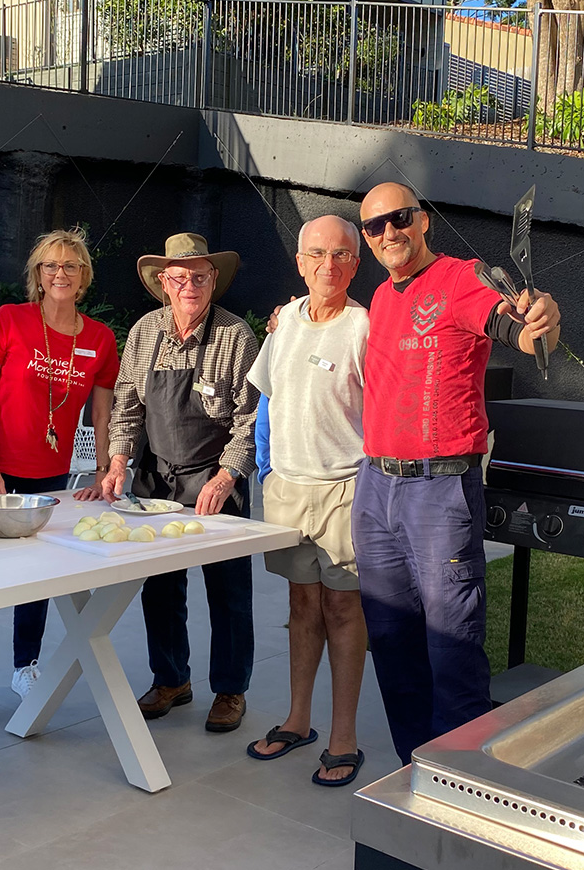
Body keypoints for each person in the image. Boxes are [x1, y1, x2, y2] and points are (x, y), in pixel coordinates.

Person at [352, 182, 561, 764]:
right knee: (391, 641)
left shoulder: (461, 277)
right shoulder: (382, 297)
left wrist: (541, 321)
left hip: (438, 486)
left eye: (400, 218)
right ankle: (413, 769)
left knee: (452, 645)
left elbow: (517, 328)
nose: (389, 233)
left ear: (423, 221)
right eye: (375, 226)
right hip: (375, 485)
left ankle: (462, 780)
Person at [0, 227, 119, 732]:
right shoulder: (9, 319)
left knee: (38, 574)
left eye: (70, 265)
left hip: (49, 471)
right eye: (50, 265)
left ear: (84, 276)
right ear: (38, 276)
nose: (60, 273)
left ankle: (26, 665)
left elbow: (102, 412)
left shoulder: (99, 338)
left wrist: (102, 469)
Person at [101, 232, 259, 733]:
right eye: (180, 277)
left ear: (214, 280)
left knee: (228, 592)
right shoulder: (144, 331)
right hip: (157, 476)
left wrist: (227, 475)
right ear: (163, 283)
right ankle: (171, 679)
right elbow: (127, 404)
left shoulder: (236, 335)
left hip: (215, 475)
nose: (190, 285)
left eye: (200, 276)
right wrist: (118, 461)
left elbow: (251, 419)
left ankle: (230, 689)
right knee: (161, 588)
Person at [245, 215, 370, 787]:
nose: (328, 265)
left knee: (343, 610)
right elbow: (267, 401)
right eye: (316, 253)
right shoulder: (285, 322)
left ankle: (343, 737)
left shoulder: (363, 327)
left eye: (341, 254)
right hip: (288, 490)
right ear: (299, 263)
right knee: (301, 607)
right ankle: (298, 720)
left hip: (345, 490)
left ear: (356, 264)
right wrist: (267, 468)